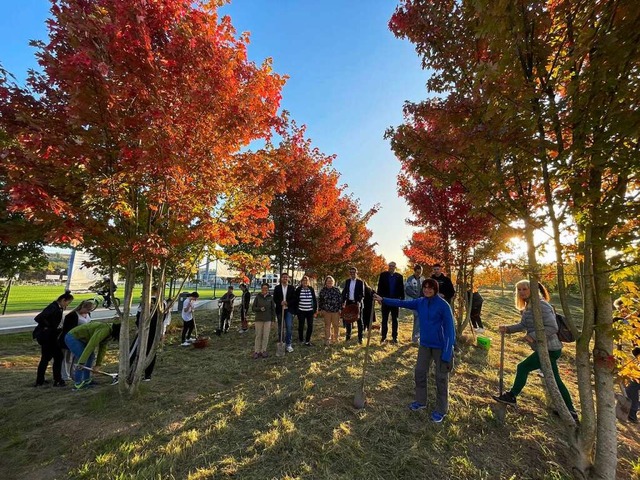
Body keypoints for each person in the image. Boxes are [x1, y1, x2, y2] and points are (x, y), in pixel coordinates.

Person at [492, 280, 578, 421]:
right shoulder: (529, 306)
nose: (521, 292)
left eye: (524, 289)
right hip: (545, 349)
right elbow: (523, 325)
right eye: (519, 290)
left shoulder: (541, 305)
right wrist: (507, 329)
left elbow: (553, 328)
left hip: (550, 348)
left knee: (523, 367)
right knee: (555, 380)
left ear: (532, 289)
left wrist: (532, 336)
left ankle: (512, 395)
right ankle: (570, 411)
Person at [374, 278, 455, 423]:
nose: (427, 290)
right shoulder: (420, 302)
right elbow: (402, 303)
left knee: (441, 379)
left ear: (435, 289)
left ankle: (441, 409)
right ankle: (420, 401)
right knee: (419, 372)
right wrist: (383, 299)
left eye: (430, 288)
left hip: (440, 347)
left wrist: (447, 353)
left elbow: (450, 331)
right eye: (425, 287)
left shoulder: (443, 305)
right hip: (424, 345)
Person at [32, 292, 74, 387]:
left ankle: (41, 380)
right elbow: (39, 318)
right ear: (63, 300)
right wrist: (49, 327)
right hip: (48, 337)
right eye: (68, 302)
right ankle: (56, 380)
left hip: (50, 337)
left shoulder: (57, 307)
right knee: (56, 357)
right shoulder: (53, 307)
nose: (68, 305)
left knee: (49, 358)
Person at [65, 321, 121, 390]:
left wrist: (98, 365)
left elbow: (102, 349)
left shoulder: (109, 333)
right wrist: (81, 363)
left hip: (82, 339)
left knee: (90, 356)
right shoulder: (104, 330)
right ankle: (78, 384)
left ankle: (86, 380)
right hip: (73, 337)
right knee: (81, 357)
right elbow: (91, 345)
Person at [131, 286, 164, 381]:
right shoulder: (162, 303)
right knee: (151, 351)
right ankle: (147, 375)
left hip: (145, 330)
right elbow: (164, 319)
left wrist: (139, 326)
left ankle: (130, 371)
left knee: (136, 350)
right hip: (155, 331)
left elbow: (139, 316)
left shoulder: (146, 302)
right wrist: (162, 331)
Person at [59, 300, 93, 382]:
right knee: (67, 358)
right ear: (83, 307)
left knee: (75, 358)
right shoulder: (72, 316)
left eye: (90, 310)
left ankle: (72, 373)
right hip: (70, 339)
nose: (89, 311)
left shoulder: (88, 314)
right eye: (88, 309)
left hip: (81, 340)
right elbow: (67, 330)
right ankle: (65, 375)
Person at [377, 261, 404, 344]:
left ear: (395, 267)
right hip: (385, 300)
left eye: (393, 266)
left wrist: (401, 300)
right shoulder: (383, 275)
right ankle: (383, 337)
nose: (391, 267)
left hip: (395, 301)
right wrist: (379, 298)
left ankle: (394, 337)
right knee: (384, 319)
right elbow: (380, 287)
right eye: (390, 266)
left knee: (395, 320)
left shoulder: (399, 276)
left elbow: (401, 289)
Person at [273, 273, 296, 353]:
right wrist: (280, 302)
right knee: (281, 327)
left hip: (289, 310)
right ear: (281, 279)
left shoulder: (292, 288)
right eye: (283, 277)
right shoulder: (277, 288)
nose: (285, 278)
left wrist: (287, 303)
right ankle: (281, 342)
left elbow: (294, 298)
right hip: (280, 310)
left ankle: (288, 344)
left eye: (286, 277)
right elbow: (275, 298)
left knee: (289, 326)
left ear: (288, 279)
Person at [251, 283, 276, 358]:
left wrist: (273, 320)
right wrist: (259, 309)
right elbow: (253, 308)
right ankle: (257, 351)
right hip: (259, 319)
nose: (264, 290)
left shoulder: (270, 298)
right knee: (258, 335)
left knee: (266, 335)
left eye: (266, 288)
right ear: (261, 289)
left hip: (267, 319)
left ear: (268, 289)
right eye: (263, 288)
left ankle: (263, 350)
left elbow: (273, 309)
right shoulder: (258, 297)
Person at [341, 266, 365, 343]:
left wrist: (358, 301)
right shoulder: (347, 281)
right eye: (351, 272)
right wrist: (343, 300)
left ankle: (360, 338)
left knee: (359, 320)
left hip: (357, 303)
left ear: (356, 273)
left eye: (353, 272)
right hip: (349, 302)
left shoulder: (360, 282)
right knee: (348, 319)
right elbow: (345, 292)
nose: (352, 274)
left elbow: (362, 294)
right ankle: (348, 337)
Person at [295, 276, 318, 346]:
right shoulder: (298, 289)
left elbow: (314, 300)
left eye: (306, 280)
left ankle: (307, 341)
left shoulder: (311, 289)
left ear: (308, 282)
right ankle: (301, 340)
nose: (305, 282)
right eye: (303, 280)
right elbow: (295, 300)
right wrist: (296, 311)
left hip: (310, 311)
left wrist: (315, 310)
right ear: (301, 282)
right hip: (301, 311)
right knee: (301, 326)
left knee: (310, 326)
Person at [319, 276, 342, 346]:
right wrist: (321, 309)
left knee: (336, 325)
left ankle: (336, 339)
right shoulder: (323, 290)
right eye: (328, 281)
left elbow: (340, 300)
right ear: (325, 282)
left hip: (335, 311)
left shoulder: (336, 290)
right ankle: (327, 340)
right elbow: (320, 301)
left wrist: (340, 309)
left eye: (331, 281)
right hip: (326, 311)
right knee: (327, 326)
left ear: (333, 282)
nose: (330, 282)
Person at [405, 264, 424, 343]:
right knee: (418, 317)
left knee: (418, 320)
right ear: (414, 271)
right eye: (417, 272)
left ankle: (417, 337)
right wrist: (415, 296)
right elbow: (407, 289)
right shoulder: (410, 279)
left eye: (420, 272)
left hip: (421, 301)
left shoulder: (423, 279)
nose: (418, 274)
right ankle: (415, 338)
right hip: (413, 301)